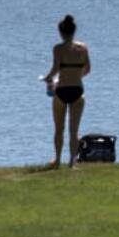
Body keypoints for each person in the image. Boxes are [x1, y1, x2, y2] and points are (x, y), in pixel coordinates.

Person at [41, 14, 91, 168]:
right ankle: (72, 162)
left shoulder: (58, 49)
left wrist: (47, 78)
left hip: (61, 91)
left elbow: (55, 69)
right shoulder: (83, 48)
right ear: (74, 31)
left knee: (59, 129)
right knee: (74, 130)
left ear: (61, 32)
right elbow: (88, 69)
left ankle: (57, 160)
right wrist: (76, 75)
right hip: (77, 90)